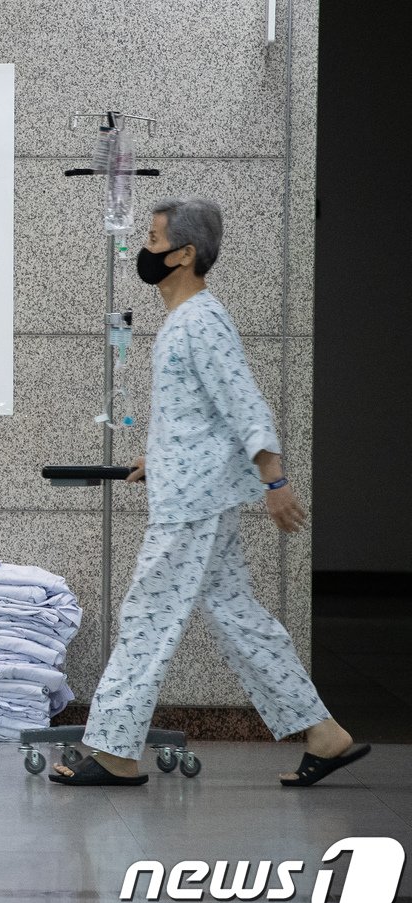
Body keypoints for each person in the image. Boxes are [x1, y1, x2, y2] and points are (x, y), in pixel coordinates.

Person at [51, 198, 369, 787]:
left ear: (185, 254)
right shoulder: (185, 321)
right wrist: (161, 456)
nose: (143, 250)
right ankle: (325, 733)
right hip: (197, 495)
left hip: (192, 506)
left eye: (151, 239)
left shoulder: (199, 320)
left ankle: (117, 752)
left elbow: (243, 401)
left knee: (146, 617)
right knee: (237, 617)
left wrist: (275, 480)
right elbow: (201, 411)